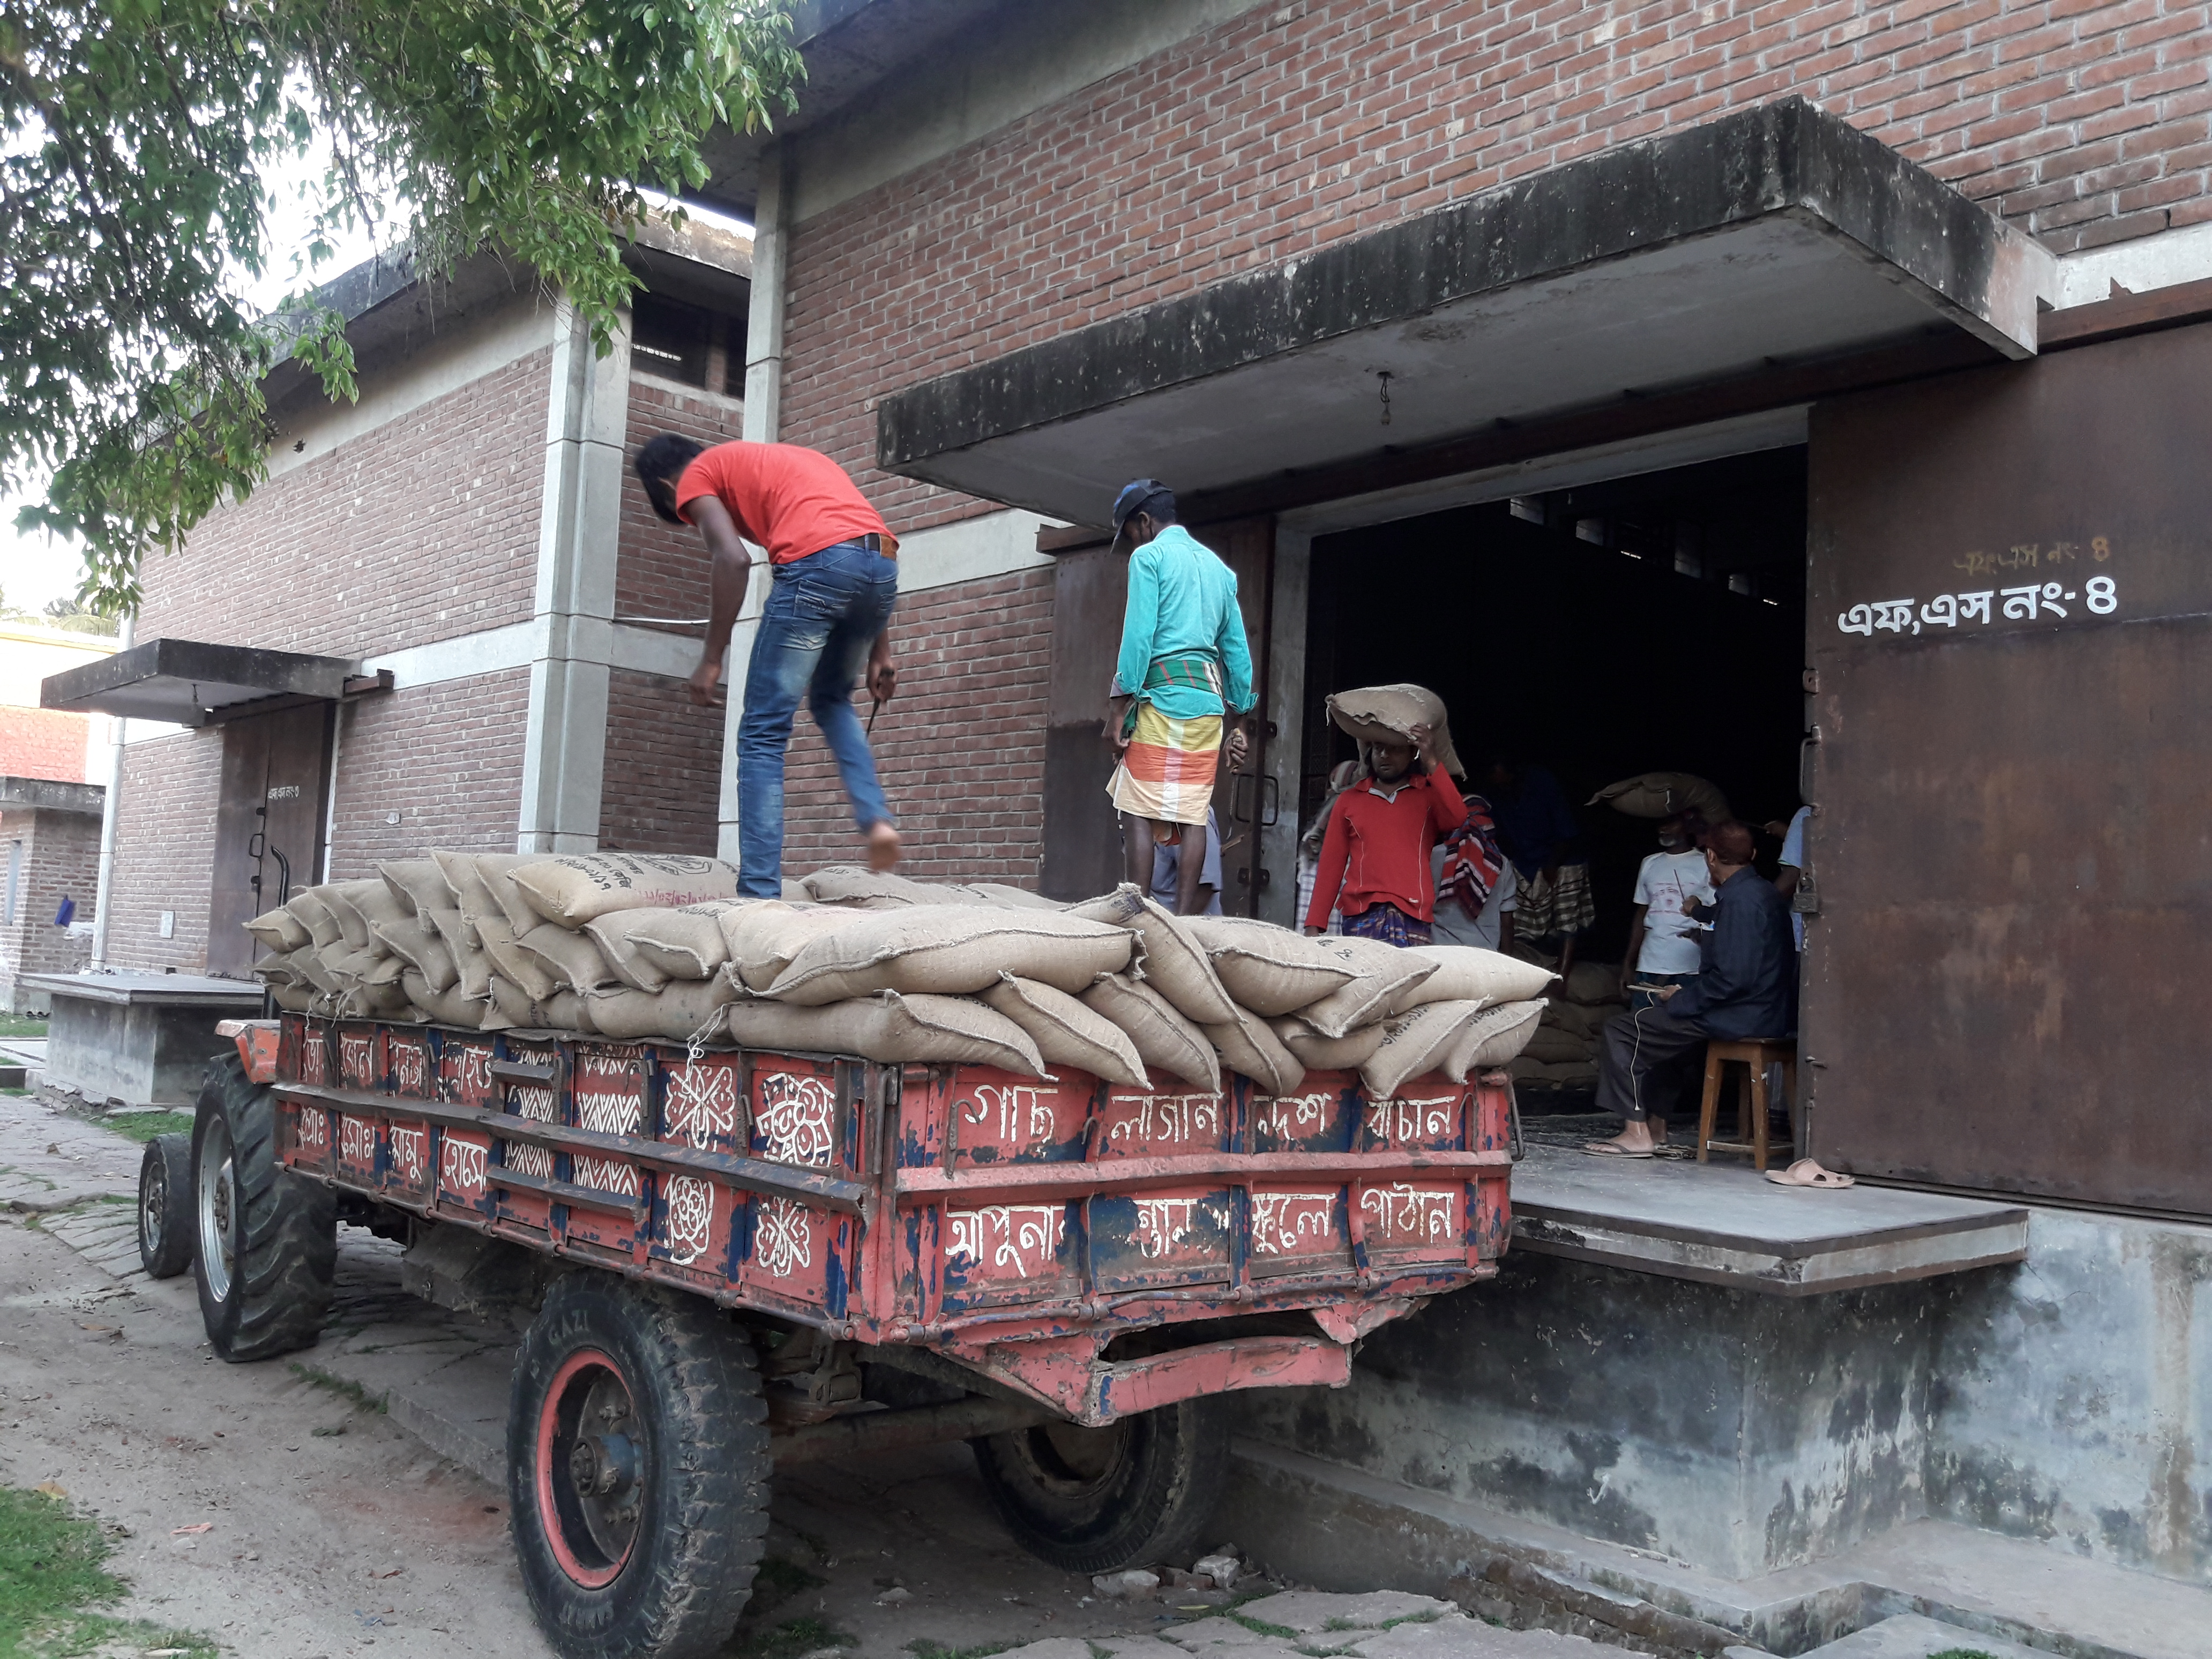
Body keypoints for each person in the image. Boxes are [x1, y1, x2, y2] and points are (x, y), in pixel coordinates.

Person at [635, 434, 900, 898]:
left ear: (665, 484)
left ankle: (759, 893)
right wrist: (882, 652)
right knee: (833, 700)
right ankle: (877, 820)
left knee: (762, 733)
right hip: (881, 565)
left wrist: (711, 659)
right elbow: (856, 552)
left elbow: (733, 559)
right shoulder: (789, 461)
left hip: (817, 568)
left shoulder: (698, 475)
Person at [1585, 820, 1795, 1158]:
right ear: (1753, 855)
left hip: (1742, 1016)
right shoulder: (1760, 893)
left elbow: (1734, 979)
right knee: (1660, 1033)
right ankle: (1655, 1125)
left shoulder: (1741, 903)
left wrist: (1683, 996)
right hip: (1763, 1010)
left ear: (1710, 856)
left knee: (1622, 1030)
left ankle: (1636, 1132)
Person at [1103, 481, 1254, 915]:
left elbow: (1138, 638)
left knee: (1135, 806)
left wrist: (1118, 711)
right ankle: (1185, 922)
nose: (1132, 541)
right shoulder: (1219, 571)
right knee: (1191, 814)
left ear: (1145, 522)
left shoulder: (1149, 557)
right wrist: (1240, 721)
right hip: (1208, 706)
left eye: (1130, 531)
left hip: (1160, 698)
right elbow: (1237, 654)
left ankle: (1140, 913)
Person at [1303, 726, 1465, 945]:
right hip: (1360, 915)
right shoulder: (1349, 801)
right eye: (1379, 748)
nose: (1385, 756)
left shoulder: (1427, 797)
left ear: (1412, 754)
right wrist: (1314, 926)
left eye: (1395, 750)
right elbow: (1331, 865)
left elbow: (1458, 817)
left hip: (1414, 915)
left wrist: (1432, 760)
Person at [1484, 760, 1593, 975]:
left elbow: (1566, 830)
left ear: (1516, 773)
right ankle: (1524, 970)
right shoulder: (1497, 794)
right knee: (1520, 922)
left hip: (1561, 860)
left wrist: (1552, 864)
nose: (1502, 787)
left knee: (1566, 917)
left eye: (1506, 782)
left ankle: (1562, 972)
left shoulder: (1542, 783)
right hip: (1525, 860)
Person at [1620, 813, 1714, 1009]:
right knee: (1641, 1027)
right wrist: (1629, 963)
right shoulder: (1649, 863)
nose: (1664, 829)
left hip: (1690, 967)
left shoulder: (1706, 863)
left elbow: (1717, 913)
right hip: (1649, 964)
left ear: (1689, 826)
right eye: (1661, 824)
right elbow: (1641, 914)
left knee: (1682, 1030)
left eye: (1671, 823)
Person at [1431, 792, 1516, 951]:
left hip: (1440, 951)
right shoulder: (1501, 863)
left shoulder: (1433, 856)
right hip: (1486, 954)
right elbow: (1507, 922)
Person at [1146, 808, 1225, 916]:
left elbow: (1206, 886)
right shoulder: (1141, 819)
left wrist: (1179, 925)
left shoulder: (1194, 814)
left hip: (1194, 923)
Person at [1770, 805, 1812, 952]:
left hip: (1806, 934)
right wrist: (1789, 834)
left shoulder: (1808, 814)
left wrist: (1758, 907)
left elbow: (1793, 875)